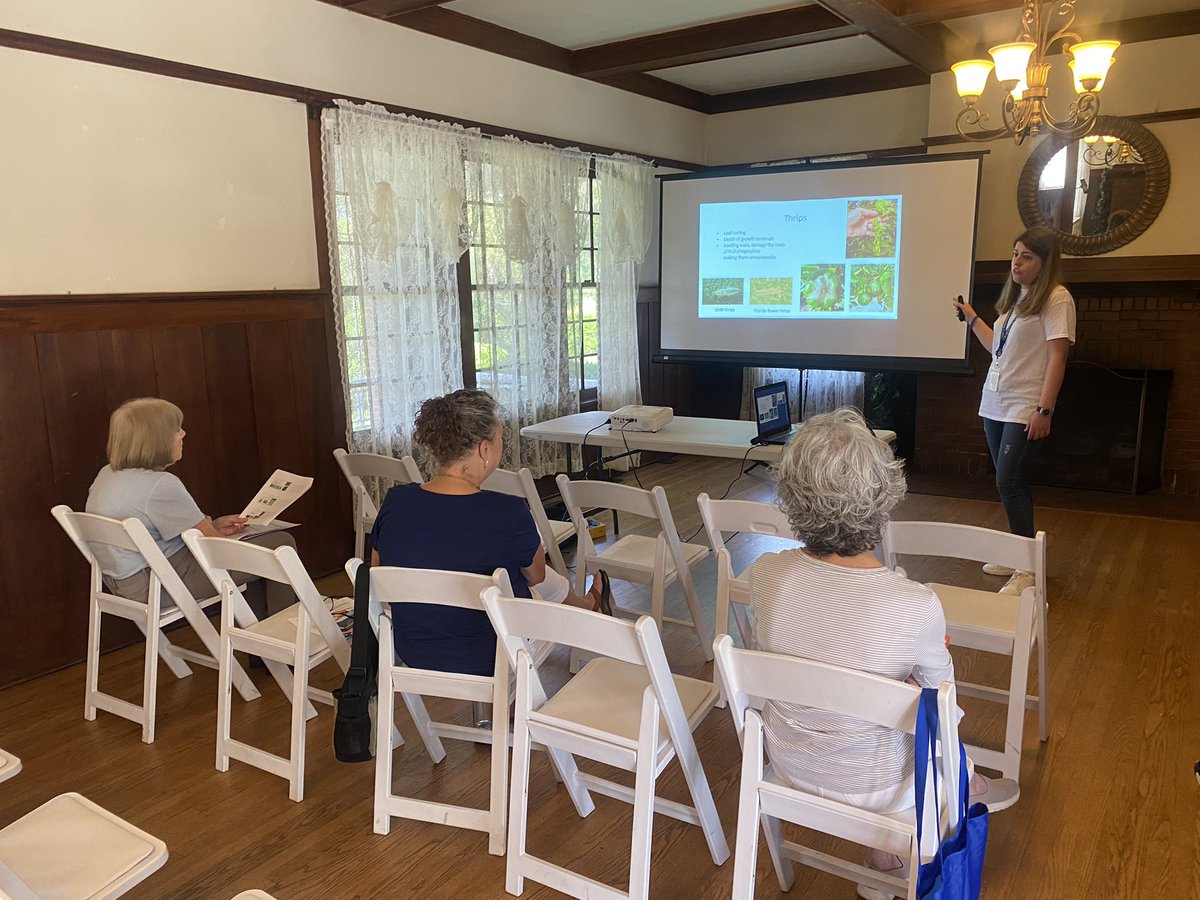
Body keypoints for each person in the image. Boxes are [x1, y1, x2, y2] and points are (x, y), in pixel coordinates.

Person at [746, 409, 1016, 899]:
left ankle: (884, 855)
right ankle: (944, 804)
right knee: (931, 717)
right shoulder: (915, 606)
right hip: (882, 787)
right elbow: (945, 712)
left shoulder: (763, 575)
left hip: (788, 764)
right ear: (882, 496)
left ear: (792, 497)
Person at [370, 389, 610, 677]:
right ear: (484, 450)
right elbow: (537, 576)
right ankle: (586, 613)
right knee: (529, 573)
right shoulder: (508, 511)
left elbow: (378, 570)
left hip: (415, 651)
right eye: (500, 439)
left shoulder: (396, 501)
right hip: (495, 654)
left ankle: (586, 607)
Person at [86, 397, 295, 619]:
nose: (183, 434)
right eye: (176, 429)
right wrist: (218, 534)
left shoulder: (107, 475)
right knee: (279, 544)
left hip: (125, 585)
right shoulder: (162, 485)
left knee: (258, 555)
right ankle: (285, 638)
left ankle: (263, 647)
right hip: (159, 585)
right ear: (157, 439)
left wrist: (212, 525)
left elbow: (164, 530)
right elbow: (214, 547)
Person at [953, 226, 1076, 595]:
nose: (1016, 262)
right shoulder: (1018, 299)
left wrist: (1045, 409)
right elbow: (998, 348)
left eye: (1026, 256)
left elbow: (1058, 357)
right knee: (1007, 481)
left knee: (1009, 480)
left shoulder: (1057, 299)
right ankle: (1017, 551)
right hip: (995, 401)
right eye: (1014, 253)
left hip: (1025, 406)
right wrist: (973, 317)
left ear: (1044, 262)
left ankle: (1027, 569)